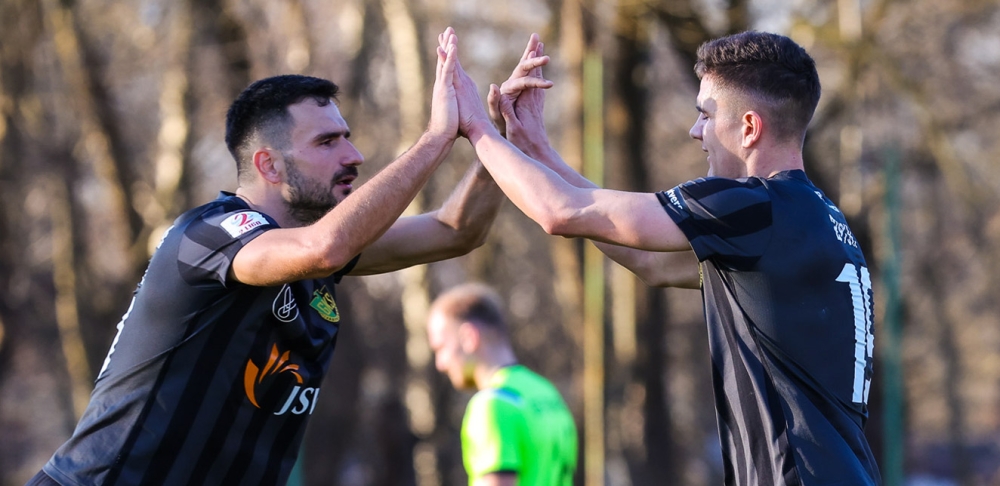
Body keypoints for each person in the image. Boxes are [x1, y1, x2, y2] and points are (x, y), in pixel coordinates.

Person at [30, 32, 515, 486]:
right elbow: (324, 248)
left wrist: (496, 138)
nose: (354, 155)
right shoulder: (210, 235)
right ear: (269, 165)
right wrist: (435, 137)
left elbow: (456, 230)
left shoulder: (313, 248)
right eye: (327, 142)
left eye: (345, 136)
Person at [447, 28, 881, 485]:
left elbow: (560, 212)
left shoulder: (754, 208)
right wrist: (535, 148)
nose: (696, 131)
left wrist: (477, 127)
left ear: (750, 128)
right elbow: (649, 261)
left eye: (705, 115)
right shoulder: (815, 219)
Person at [427, 283, 578, 486]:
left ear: (468, 337)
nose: (440, 364)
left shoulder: (492, 405)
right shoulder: (547, 394)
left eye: (441, 347)